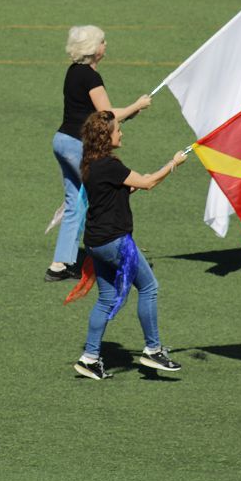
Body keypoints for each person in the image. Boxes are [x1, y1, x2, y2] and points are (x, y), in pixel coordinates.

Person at [71, 110, 186, 380]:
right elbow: (147, 183)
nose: (121, 133)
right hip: (115, 241)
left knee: (107, 298)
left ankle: (89, 358)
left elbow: (111, 191)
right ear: (106, 136)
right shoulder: (110, 166)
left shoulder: (91, 164)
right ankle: (153, 350)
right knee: (149, 287)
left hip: (95, 242)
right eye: (117, 129)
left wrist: (129, 186)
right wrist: (173, 163)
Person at [48, 26, 151, 282]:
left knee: (76, 201)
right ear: (95, 49)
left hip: (62, 141)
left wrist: (128, 111)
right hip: (78, 145)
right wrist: (136, 106)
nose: (106, 45)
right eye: (103, 42)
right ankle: (113, 257)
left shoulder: (73, 72)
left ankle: (59, 265)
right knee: (102, 195)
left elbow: (93, 113)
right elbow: (105, 116)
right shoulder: (92, 78)